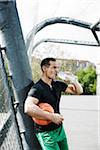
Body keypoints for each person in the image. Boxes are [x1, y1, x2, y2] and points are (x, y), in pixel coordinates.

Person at [24, 57, 83, 150]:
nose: (57, 70)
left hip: (59, 129)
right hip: (46, 133)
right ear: (44, 68)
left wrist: (74, 80)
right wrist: (51, 117)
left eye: (57, 68)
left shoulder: (58, 85)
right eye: (54, 67)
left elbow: (79, 91)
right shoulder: (37, 88)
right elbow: (28, 108)